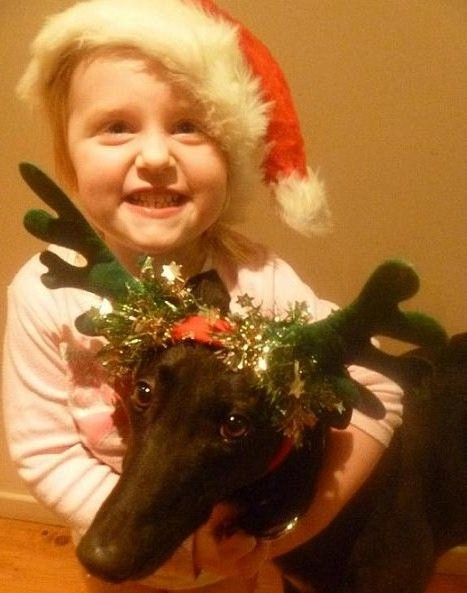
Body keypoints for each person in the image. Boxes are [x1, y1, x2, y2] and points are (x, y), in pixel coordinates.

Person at [3, 1, 403, 592]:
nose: (156, 156)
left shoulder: (262, 285)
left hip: (232, 570)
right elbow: (46, 453)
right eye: (117, 126)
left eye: (190, 126)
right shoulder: (47, 294)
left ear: (233, 157)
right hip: (116, 562)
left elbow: (379, 386)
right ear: (69, 155)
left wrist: (276, 538)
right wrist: (171, 545)